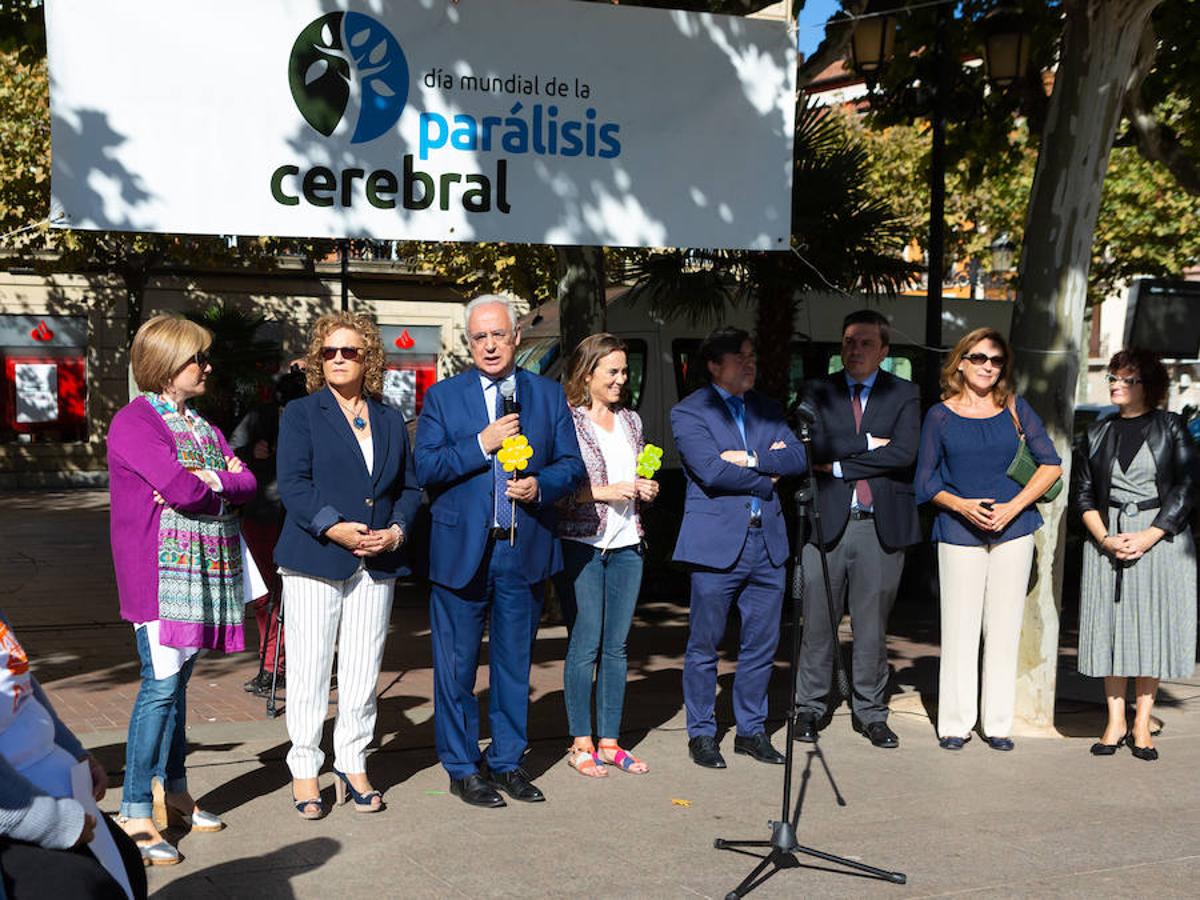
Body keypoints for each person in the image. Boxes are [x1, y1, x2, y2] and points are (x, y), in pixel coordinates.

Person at [415, 294, 584, 808]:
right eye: (479, 337)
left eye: (497, 335)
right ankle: (463, 767)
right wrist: (481, 443)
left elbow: (572, 466)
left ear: (515, 338)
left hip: (521, 547)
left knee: (515, 665)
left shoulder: (547, 395)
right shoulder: (444, 398)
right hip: (462, 551)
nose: (489, 345)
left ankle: (508, 762)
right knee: (457, 668)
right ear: (470, 343)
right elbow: (426, 468)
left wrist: (541, 486)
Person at [107, 314, 257, 862]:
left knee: (178, 687)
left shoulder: (202, 426)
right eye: (198, 358)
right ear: (168, 365)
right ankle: (133, 810)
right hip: (156, 575)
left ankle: (174, 792)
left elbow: (246, 482)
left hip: (201, 573)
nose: (207, 366)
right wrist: (214, 489)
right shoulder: (134, 422)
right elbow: (177, 487)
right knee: (162, 687)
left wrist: (212, 483)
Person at [274, 312, 421, 818]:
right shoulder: (301, 412)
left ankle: (353, 762)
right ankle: (305, 770)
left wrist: (397, 530)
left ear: (368, 358)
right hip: (315, 557)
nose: (339, 358)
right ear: (319, 358)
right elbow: (292, 485)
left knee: (362, 672)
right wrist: (333, 526)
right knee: (311, 670)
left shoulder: (388, 416)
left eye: (350, 351)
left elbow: (410, 487)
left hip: (376, 563)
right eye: (329, 351)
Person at [915, 327, 1062, 751]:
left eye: (996, 361)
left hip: (1013, 531)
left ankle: (997, 723)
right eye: (979, 358)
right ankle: (955, 724)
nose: (988, 367)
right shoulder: (939, 415)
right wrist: (961, 505)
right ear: (960, 362)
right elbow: (925, 481)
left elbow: (1050, 465)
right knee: (959, 629)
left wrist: (1013, 506)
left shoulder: (1015, 407)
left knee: (1003, 628)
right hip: (958, 531)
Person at [671, 326, 808, 769]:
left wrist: (750, 459)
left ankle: (751, 730)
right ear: (714, 365)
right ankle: (702, 733)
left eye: (752, 355)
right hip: (716, 547)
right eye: (740, 357)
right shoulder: (689, 412)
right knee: (704, 644)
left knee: (761, 645)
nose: (750, 363)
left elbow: (797, 458)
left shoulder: (767, 408)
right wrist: (766, 479)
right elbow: (710, 471)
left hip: (767, 543)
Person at [795, 310, 921, 749]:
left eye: (866, 343)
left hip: (878, 527)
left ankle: (871, 712)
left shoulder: (904, 393)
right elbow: (812, 446)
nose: (856, 350)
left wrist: (839, 463)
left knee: (871, 627)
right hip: (824, 522)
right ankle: (809, 707)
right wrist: (869, 445)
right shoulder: (817, 391)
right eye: (849, 342)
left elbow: (905, 453)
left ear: (884, 351)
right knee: (817, 623)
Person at [1074, 348, 1197, 761]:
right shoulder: (1096, 433)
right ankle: (1115, 720)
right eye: (1113, 377)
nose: (1115, 384)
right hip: (1107, 540)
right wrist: (1106, 538)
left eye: (1126, 379)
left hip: (1159, 540)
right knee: (1111, 629)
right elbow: (1084, 493)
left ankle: (1143, 721)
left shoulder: (1172, 427)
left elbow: (1186, 486)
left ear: (1148, 385)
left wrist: (1149, 535)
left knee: (1152, 628)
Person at [554, 334, 660, 778]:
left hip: (627, 543)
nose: (621, 379)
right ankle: (580, 743)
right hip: (583, 544)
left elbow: (635, 478)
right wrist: (603, 491)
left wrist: (645, 488)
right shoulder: (570, 422)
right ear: (587, 374)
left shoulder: (631, 421)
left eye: (624, 370)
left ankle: (611, 741)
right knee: (586, 644)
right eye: (612, 371)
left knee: (616, 648)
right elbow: (556, 490)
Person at [0, 609, 148, 900]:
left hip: (59, 792)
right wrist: (53, 822)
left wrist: (74, 750)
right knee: (83, 885)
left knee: (126, 862)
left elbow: (21, 682)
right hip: (24, 816)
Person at [232, 361, 308, 697]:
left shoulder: (314, 415)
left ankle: (280, 664)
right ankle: (272, 664)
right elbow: (231, 452)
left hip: (298, 516)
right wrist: (252, 451)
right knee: (265, 594)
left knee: (296, 595)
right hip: (263, 514)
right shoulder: (260, 417)